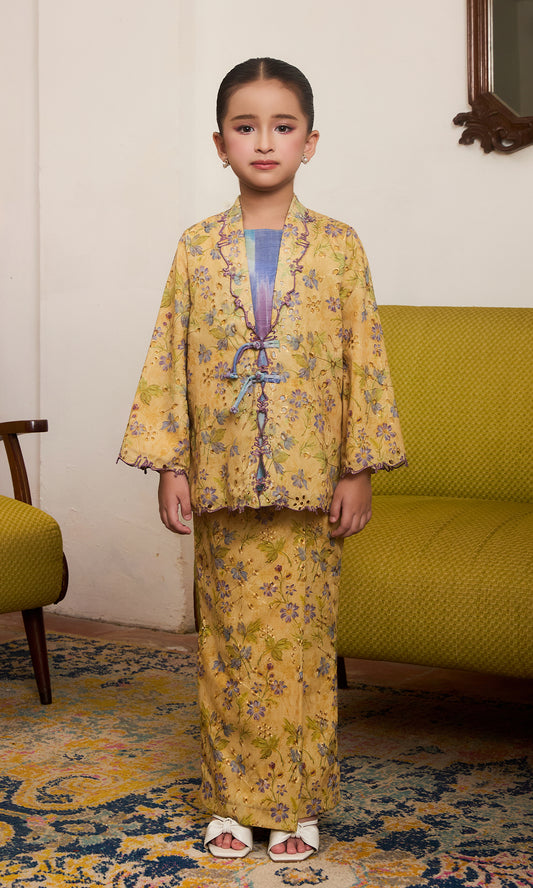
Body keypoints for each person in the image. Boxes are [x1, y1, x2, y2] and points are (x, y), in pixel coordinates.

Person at [119, 57, 406, 861]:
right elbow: (169, 356)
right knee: (228, 646)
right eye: (245, 127)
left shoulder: (340, 248)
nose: (265, 141)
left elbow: (363, 359)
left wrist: (358, 469)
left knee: (303, 647)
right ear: (220, 144)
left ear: (310, 141)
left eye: (283, 126)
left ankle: (296, 805)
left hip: (310, 483)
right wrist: (171, 464)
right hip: (221, 482)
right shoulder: (195, 248)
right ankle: (228, 799)